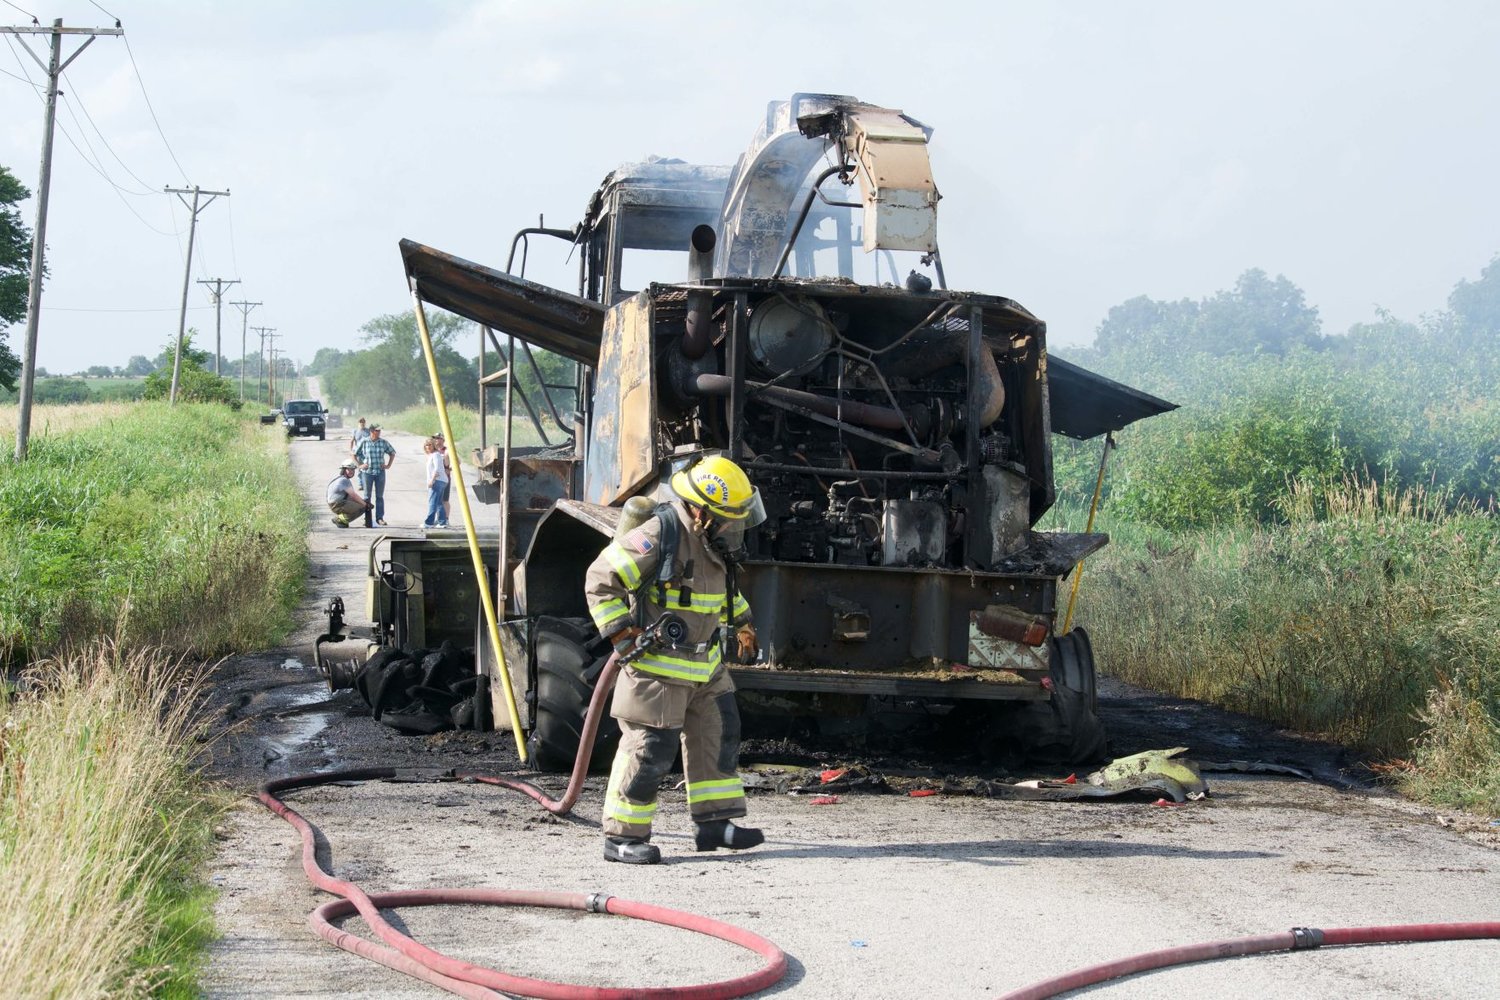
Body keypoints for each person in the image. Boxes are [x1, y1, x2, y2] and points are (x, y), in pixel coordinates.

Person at [583, 455, 766, 865]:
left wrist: (744, 624)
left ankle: (715, 824)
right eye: (729, 519)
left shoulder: (711, 543)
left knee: (719, 736)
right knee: (650, 751)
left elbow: (718, 593)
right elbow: (600, 578)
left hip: (704, 668)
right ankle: (623, 837)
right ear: (702, 512)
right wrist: (619, 632)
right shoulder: (660, 533)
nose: (735, 528)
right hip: (657, 671)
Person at [353, 424, 396, 527]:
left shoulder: (383, 442)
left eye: (380, 430)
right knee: (367, 496)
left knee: (379, 496)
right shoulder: (364, 441)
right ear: (371, 431)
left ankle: (379, 518)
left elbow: (392, 452)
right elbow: (354, 454)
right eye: (377, 430)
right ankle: (367, 519)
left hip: (380, 472)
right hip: (367, 473)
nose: (379, 432)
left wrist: (388, 465)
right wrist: (360, 465)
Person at [326, 461, 370, 527]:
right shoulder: (344, 480)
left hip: (336, 503)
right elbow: (353, 496)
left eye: (353, 470)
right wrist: (366, 504)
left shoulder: (340, 478)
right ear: (344, 470)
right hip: (337, 504)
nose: (352, 471)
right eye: (349, 469)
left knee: (360, 503)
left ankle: (343, 521)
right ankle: (339, 519)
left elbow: (350, 496)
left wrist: (363, 501)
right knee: (362, 507)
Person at [422, 437, 450, 528]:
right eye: (426, 445)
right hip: (440, 481)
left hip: (437, 481)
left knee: (432, 502)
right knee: (438, 502)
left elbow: (437, 469)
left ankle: (429, 523)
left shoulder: (436, 455)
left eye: (430, 445)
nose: (428, 447)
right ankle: (442, 522)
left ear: (433, 445)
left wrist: (432, 480)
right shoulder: (431, 455)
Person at [434, 432, 453, 524]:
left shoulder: (446, 450)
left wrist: (450, 469)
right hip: (435, 478)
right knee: (436, 499)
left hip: (445, 478)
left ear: (443, 440)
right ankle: (438, 518)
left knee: (444, 500)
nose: (436, 440)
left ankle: (446, 519)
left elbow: (457, 461)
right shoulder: (433, 450)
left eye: (438, 438)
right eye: (435, 438)